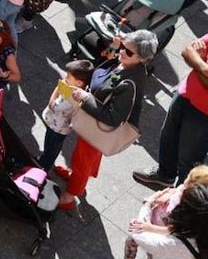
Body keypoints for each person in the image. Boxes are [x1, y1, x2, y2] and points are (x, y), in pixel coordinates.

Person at [55, 30, 157, 211]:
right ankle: (80, 177)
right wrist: (114, 46)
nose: (122, 52)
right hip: (96, 124)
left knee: (82, 159)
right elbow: (103, 64)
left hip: (98, 125)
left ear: (142, 58)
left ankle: (70, 195)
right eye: (124, 47)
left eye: (129, 51)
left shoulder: (129, 83)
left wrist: (85, 98)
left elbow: (113, 118)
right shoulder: (127, 63)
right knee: (87, 157)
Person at [135, 25, 208, 190]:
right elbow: (187, 51)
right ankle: (164, 175)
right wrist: (204, 67)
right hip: (184, 95)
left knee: (189, 161)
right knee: (168, 137)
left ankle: (180, 197)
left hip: (207, 114)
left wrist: (198, 64)